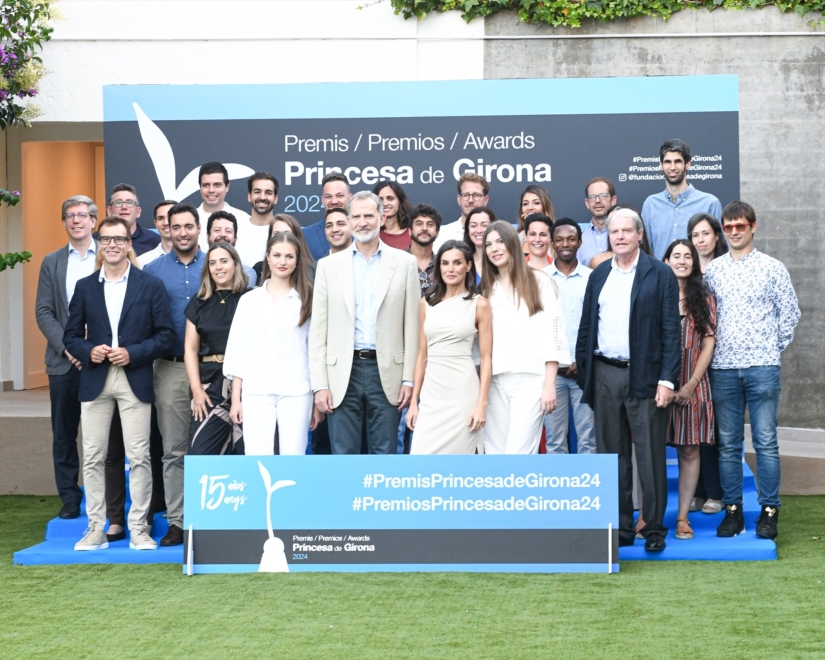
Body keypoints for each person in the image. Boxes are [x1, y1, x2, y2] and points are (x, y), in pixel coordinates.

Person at [63, 217, 175, 551]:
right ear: (100, 243)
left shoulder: (149, 285)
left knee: (140, 455)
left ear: (129, 243)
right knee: (94, 455)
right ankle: (95, 528)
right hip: (96, 377)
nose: (112, 244)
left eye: (119, 239)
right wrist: (88, 350)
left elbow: (166, 336)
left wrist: (133, 353)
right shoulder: (85, 287)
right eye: (106, 239)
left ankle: (139, 528)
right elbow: (70, 336)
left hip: (134, 376)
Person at [576, 208, 681, 552]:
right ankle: (620, 529)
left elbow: (670, 330)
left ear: (639, 234)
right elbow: (587, 328)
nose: (619, 236)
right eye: (614, 231)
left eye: (626, 231)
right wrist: (587, 374)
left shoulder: (660, 273)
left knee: (649, 456)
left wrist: (667, 380)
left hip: (646, 376)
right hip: (605, 374)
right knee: (612, 456)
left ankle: (652, 529)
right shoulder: (599, 273)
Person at [706, 201, 800, 540]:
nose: (734, 232)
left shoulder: (773, 268)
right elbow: (706, 320)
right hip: (723, 369)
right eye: (728, 227)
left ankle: (769, 512)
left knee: (765, 443)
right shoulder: (713, 271)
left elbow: (790, 314)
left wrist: (769, 349)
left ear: (753, 227)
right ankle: (733, 513)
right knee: (729, 445)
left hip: (762, 368)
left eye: (740, 226)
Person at [309, 191, 420, 454]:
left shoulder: (405, 263)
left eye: (369, 215)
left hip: (388, 373)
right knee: (343, 453)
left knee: (385, 451)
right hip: (342, 374)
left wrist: (408, 379)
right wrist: (321, 384)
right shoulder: (327, 266)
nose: (362, 222)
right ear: (348, 221)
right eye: (356, 216)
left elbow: (412, 328)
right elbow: (318, 332)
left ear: (382, 218)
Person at [224, 233, 321, 455]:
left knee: (293, 460)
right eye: (277, 255)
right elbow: (239, 350)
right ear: (267, 257)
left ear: (297, 260)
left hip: (297, 391)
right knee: (256, 459)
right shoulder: (249, 300)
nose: (282, 262)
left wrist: (316, 401)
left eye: (289, 256)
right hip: (256, 391)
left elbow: (313, 351)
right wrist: (235, 399)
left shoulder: (307, 300)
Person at [144, 203, 205, 547]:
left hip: (213, 368)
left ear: (199, 228)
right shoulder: (152, 271)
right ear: (166, 228)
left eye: (188, 226)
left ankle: (214, 518)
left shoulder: (216, 265)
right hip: (169, 368)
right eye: (176, 226)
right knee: (174, 450)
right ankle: (178, 522)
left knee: (214, 446)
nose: (182, 232)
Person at [480, 221, 569, 455]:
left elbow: (553, 335)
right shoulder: (485, 291)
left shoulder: (540, 282)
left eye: (500, 241)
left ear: (513, 244)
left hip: (531, 380)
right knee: (495, 454)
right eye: (488, 244)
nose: (494, 248)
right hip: (494, 381)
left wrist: (549, 385)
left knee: (518, 454)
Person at [35, 195, 98, 520]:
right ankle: (70, 499)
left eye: (82, 215)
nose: (76, 220)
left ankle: (104, 497)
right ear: (64, 222)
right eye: (70, 216)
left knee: (104, 434)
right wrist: (70, 348)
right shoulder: (52, 261)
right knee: (64, 434)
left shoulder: (109, 254)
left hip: (102, 361)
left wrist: (92, 349)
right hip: (63, 364)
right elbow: (43, 311)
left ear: (93, 221)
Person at [406, 240, 492, 454]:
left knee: (460, 468)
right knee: (421, 460)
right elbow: (422, 355)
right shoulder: (426, 303)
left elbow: (487, 358)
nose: (450, 269)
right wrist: (414, 403)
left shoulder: (479, 304)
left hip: (463, 393)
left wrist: (481, 403)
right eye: (444, 263)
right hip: (432, 395)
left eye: (457, 263)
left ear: (468, 266)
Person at [662, 239, 717, 541]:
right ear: (666, 260)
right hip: (659, 383)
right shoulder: (656, 292)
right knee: (651, 451)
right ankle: (649, 516)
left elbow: (709, 341)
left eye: (687, 256)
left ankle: (683, 517)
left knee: (689, 449)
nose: (682, 260)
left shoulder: (704, 297)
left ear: (695, 263)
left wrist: (692, 382)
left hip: (693, 382)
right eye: (676, 255)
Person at [184, 243, 249, 455]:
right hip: (209, 387)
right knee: (201, 455)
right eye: (212, 263)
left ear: (235, 264)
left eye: (224, 261)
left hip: (248, 387)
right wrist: (196, 390)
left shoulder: (251, 299)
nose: (218, 267)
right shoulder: (199, 302)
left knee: (246, 453)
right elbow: (190, 349)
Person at [687, 211, 728, 515]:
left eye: (705, 234)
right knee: (693, 431)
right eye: (695, 236)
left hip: (723, 359)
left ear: (717, 236)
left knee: (712, 431)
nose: (701, 240)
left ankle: (715, 491)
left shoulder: (727, 269)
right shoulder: (686, 273)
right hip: (693, 361)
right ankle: (698, 491)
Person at [545, 218, 596, 455]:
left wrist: (581, 361)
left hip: (584, 373)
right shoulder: (539, 279)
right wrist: (554, 363)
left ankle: (589, 492)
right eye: (559, 239)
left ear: (580, 242)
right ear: (552, 244)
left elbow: (597, 324)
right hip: (551, 374)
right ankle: (559, 492)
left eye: (571, 239)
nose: (565, 244)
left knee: (588, 439)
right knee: (555, 441)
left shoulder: (592, 278)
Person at [642, 139, 723, 260]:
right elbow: (645, 251)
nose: (673, 167)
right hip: (660, 278)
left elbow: (721, 249)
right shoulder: (650, 204)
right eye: (668, 162)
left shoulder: (710, 203)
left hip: (700, 278)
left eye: (678, 161)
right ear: (661, 165)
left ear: (688, 164)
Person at [195, 161, 251, 251]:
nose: (211, 190)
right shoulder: (190, 221)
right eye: (206, 185)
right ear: (200, 187)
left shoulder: (244, 220)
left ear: (227, 186)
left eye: (217, 185)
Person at [434, 172, 489, 252]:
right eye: (466, 195)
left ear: (485, 200)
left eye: (476, 195)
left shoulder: (496, 233)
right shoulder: (442, 235)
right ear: (459, 199)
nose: (470, 200)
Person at [252, 213, 314, 284]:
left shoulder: (312, 271)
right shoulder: (259, 269)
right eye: (276, 234)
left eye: (287, 234)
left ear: (297, 238)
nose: (281, 237)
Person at [303, 172, 351, 262]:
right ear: (322, 200)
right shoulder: (306, 235)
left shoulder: (362, 232)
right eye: (328, 196)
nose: (334, 201)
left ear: (350, 198)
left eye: (339, 195)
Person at [234, 171, 278, 268]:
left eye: (268, 192)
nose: (262, 197)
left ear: (275, 199)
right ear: (249, 197)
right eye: (257, 192)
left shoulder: (283, 230)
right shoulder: (235, 229)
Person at [103, 183, 161, 256]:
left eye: (130, 202)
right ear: (109, 211)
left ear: (138, 211)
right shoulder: (96, 240)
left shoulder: (155, 241)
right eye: (118, 202)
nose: (124, 207)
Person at [206, 210, 258, 287]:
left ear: (235, 240)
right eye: (217, 230)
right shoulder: (198, 269)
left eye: (228, 231)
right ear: (207, 237)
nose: (223, 234)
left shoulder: (247, 273)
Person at [578, 178, 616, 268]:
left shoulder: (623, 235)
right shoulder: (578, 238)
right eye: (592, 197)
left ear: (613, 200)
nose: (597, 200)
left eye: (603, 196)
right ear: (587, 203)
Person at [408, 204, 441, 294]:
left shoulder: (443, 265)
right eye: (419, 224)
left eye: (430, 224)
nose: (424, 228)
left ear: (437, 232)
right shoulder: (398, 263)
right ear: (410, 231)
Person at [516, 185, 555, 254]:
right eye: (525, 204)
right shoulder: (515, 238)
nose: (530, 207)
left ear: (545, 207)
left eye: (536, 203)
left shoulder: (557, 237)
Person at [374, 181, 412, 251]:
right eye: (380, 199)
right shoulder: (371, 234)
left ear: (400, 201)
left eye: (390, 198)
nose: (385, 203)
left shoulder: (412, 232)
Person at [463, 206, 496, 284]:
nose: (478, 230)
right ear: (468, 230)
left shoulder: (501, 259)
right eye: (473, 226)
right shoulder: (463, 262)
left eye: (484, 225)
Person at [138, 200, 176, 267]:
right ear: (155, 223)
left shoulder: (198, 259)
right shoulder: (142, 262)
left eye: (170, 217)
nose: (166, 223)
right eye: (161, 218)